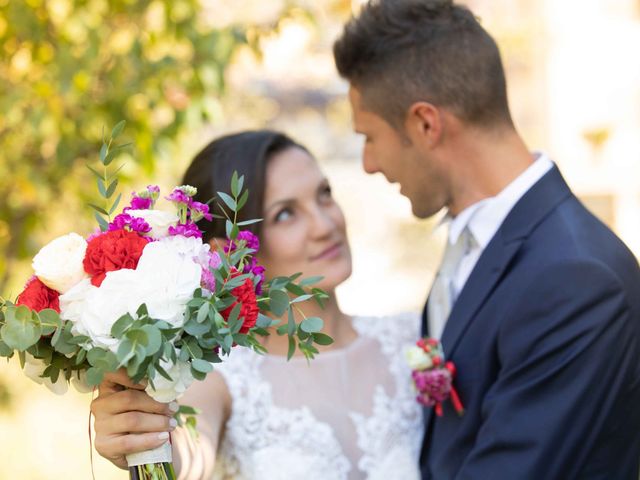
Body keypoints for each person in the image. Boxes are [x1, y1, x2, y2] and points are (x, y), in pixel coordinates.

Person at [333, 1, 640, 479]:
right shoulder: (475, 238)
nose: (369, 163)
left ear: (426, 124)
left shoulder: (575, 278)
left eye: (370, 137)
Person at [91, 130, 424, 479]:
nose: (326, 225)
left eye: (324, 195)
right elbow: (189, 455)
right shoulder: (221, 379)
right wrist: (143, 437)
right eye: (285, 214)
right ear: (230, 253)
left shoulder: (410, 338)